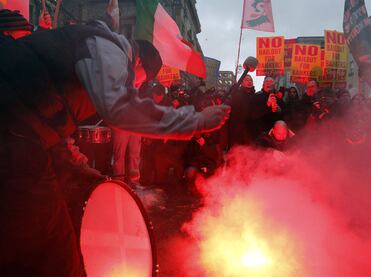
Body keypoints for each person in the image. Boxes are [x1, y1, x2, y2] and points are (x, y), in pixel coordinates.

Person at [0, 20, 230, 275]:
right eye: (140, 82)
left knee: (19, 236)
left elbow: (57, 130)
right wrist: (196, 122)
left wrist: (83, 169)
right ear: (138, 63)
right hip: (12, 131)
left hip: (18, 131)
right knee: (53, 248)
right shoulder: (107, 45)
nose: (135, 86)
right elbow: (117, 108)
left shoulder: (87, 57)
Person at [227, 74, 256, 147]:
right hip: (237, 130)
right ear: (241, 83)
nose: (249, 81)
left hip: (251, 131)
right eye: (246, 80)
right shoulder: (236, 94)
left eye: (251, 80)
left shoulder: (255, 96)